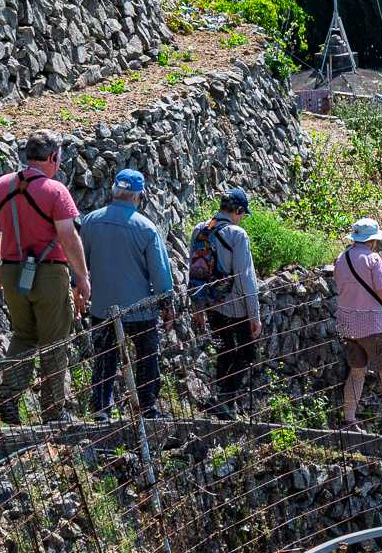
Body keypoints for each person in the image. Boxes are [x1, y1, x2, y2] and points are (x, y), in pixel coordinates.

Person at [0, 132, 90, 424]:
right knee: (55, 341)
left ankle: (7, 400)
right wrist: (82, 276)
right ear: (53, 158)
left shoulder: (1, 186)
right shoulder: (56, 191)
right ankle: (53, 412)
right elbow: (68, 236)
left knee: (23, 336)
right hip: (49, 273)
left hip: (11, 269)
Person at [80, 169, 174, 420]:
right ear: (139, 196)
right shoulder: (146, 228)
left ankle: (101, 410)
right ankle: (148, 408)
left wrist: (79, 290)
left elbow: (81, 265)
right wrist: (167, 304)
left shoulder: (90, 222)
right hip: (140, 308)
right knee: (146, 356)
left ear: (113, 191)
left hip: (102, 307)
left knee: (104, 357)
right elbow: (160, 273)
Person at [333, 218, 382, 434]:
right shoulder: (373, 259)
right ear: (372, 241)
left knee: (356, 372)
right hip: (374, 326)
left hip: (348, 326)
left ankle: (349, 420)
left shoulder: (341, 259)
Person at [191, 188, 260, 417]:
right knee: (247, 354)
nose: (242, 218)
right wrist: (254, 315)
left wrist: (197, 307)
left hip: (212, 303)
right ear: (237, 211)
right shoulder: (237, 234)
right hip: (236, 306)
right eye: (242, 214)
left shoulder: (201, 230)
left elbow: (195, 273)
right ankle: (224, 400)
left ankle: (224, 403)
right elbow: (246, 278)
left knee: (225, 352)